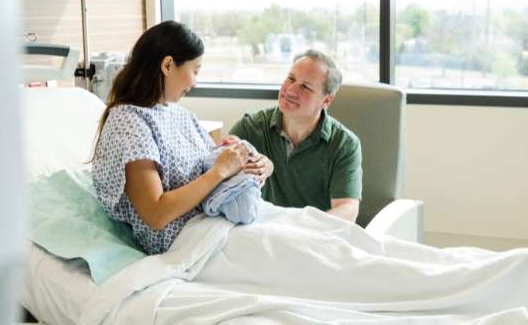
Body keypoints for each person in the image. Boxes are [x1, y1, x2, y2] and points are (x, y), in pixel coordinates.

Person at [91, 21, 267, 255]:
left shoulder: (182, 115)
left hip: (214, 222)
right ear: (168, 65)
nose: (195, 82)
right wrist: (220, 171)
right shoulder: (128, 122)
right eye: (195, 70)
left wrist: (257, 164)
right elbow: (156, 213)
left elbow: (206, 166)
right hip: (187, 240)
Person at [229, 50, 362, 223]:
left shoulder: (345, 145)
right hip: (262, 234)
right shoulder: (249, 129)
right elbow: (217, 178)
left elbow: (348, 209)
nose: (290, 90)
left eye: (305, 87)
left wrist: (299, 228)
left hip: (314, 237)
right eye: (291, 79)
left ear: (326, 101)